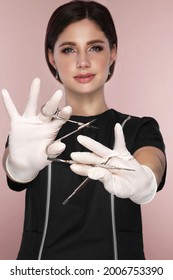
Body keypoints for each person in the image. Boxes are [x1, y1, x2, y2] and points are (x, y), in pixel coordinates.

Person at [2, 0, 166, 260]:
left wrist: (144, 182)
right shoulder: (32, 130)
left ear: (112, 52)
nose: (83, 61)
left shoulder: (139, 128)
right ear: (50, 56)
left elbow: (153, 164)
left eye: (95, 47)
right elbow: (13, 166)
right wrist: (17, 167)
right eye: (68, 49)